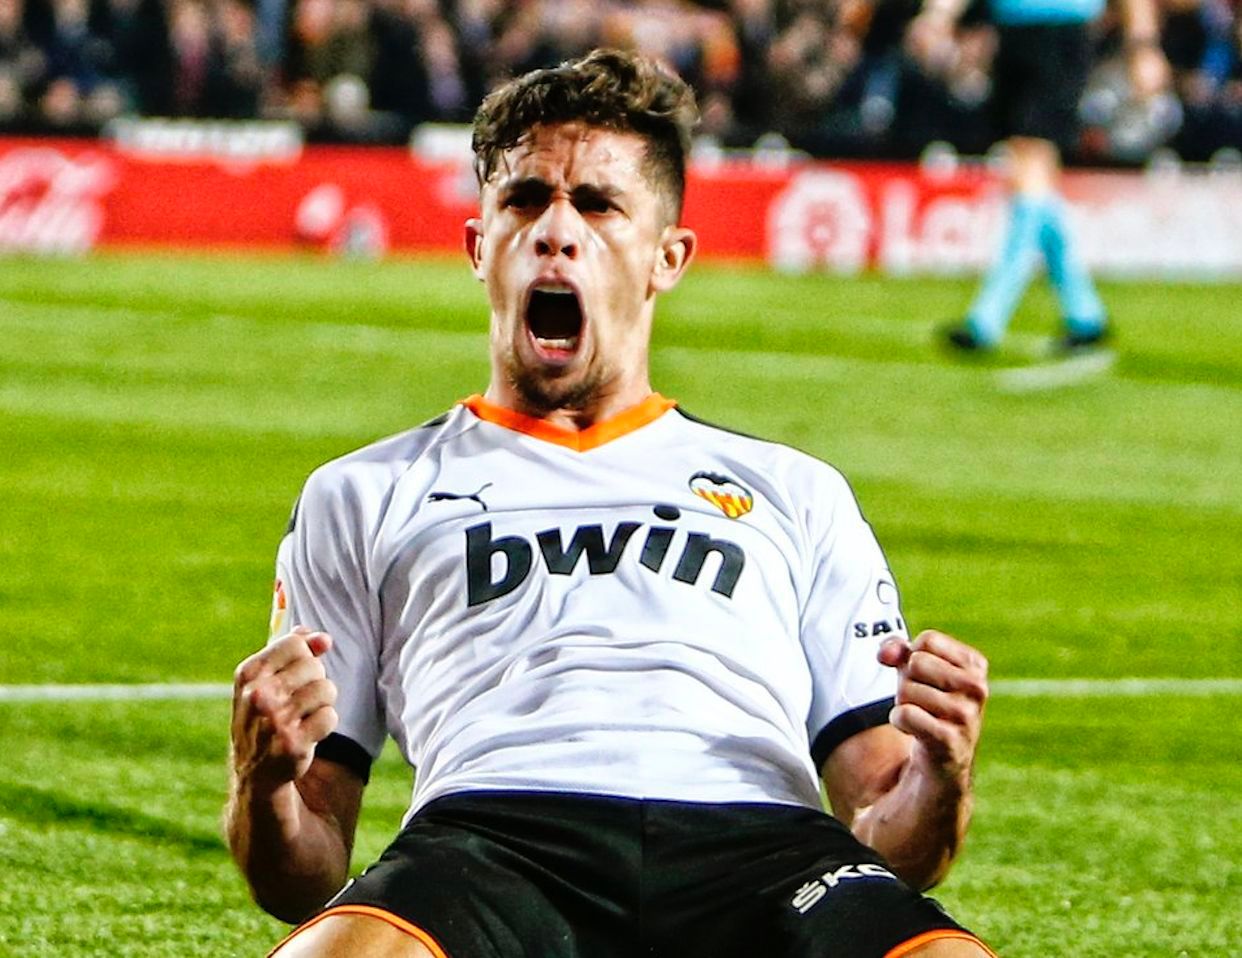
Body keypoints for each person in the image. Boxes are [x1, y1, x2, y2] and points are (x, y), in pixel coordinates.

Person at [226, 48, 996, 958]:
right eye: (523, 201)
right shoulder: (361, 494)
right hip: (492, 841)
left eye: (597, 205)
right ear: (480, 247)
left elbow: (890, 831)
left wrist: (941, 775)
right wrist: (265, 783)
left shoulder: (797, 492)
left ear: (667, 258)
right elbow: (305, 872)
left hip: (769, 855)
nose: (557, 231)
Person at [909, 0, 1170, 351]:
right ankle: (1084, 313)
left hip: (1061, 33)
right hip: (1013, 32)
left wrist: (1143, 47)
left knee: (1029, 160)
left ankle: (988, 317)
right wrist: (939, 15)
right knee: (1030, 170)